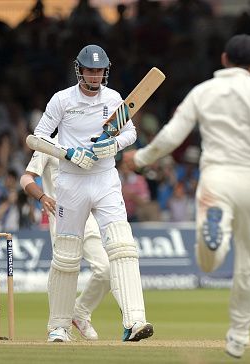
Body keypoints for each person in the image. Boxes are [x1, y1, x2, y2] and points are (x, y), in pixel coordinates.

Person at [124, 34, 250, 358]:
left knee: (210, 261)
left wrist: (140, 158)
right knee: (248, 264)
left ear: (223, 59)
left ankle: (214, 242)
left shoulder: (202, 92)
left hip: (216, 178)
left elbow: (172, 135)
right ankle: (238, 336)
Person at [32, 44, 152, 342]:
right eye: (90, 70)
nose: (95, 76)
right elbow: (36, 138)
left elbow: (130, 132)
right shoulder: (62, 100)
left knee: (123, 247)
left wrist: (113, 145)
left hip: (105, 179)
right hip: (71, 182)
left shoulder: (113, 99)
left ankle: (135, 321)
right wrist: (68, 153)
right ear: (80, 70)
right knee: (66, 256)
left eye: (100, 71)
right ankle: (58, 326)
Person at [20, 134, 114, 341]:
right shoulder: (47, 144)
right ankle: (58, 327)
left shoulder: (88, 141)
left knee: (106, 270)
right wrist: (42, 197)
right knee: (62, 273)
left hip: (89, 218)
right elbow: (26, 178)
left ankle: (80, 312)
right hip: (62, 220)